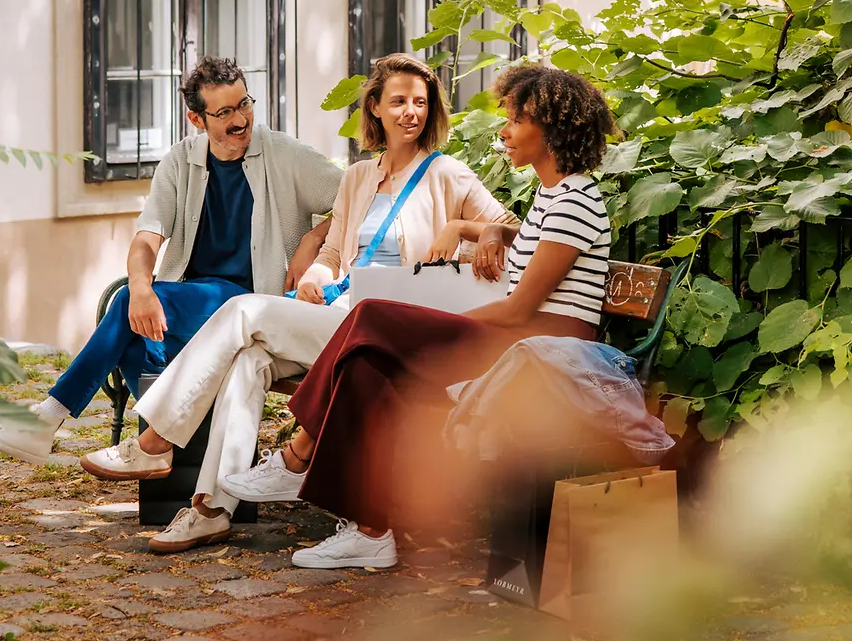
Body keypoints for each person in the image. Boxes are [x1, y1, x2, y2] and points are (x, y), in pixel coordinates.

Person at [74, 54, 511, 553]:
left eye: (419, 102)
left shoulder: (448, 174)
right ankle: (211, 509)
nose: (410, 111)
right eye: (398, 101)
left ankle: (157, 441)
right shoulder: (359, 178)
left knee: (244, 311)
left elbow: (511, 230)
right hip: (340, 316)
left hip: (388, 330)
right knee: (248, 359)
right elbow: (333, 252)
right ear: (375, 108)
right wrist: (317, 273)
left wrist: (464, 228)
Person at [217, 64, 620, 569]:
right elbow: (524, 243)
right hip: (520, 340)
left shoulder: (576, 200)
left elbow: (521, 308)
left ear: (554, 129)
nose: (504, 131)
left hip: (544, 348)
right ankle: (370, 531)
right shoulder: (553, 197)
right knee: (369, 363)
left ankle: (299, 455)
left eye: (516, 121)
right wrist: (475, 229)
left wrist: (442, 309)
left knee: (371, 318)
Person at [0, 57, 341, 463]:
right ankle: (179, 448)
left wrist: (313, 238)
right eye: (225, 112)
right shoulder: (180, 161)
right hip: (191, 301)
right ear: (197, 120)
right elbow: (147, 238)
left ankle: (50, 421)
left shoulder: (285, 154)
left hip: (251, 304)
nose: (241, 120)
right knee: (133, 336)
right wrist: (143, 286)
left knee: (128, 304)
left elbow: (360, 199)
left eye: (245, 104)